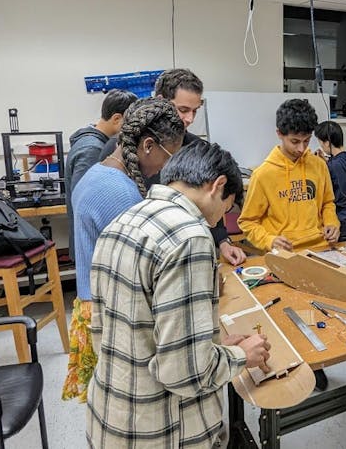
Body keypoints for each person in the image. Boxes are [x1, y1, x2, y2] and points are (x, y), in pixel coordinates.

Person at [87, 142, 270, 448]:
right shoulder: (190, 238)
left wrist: (208, 347)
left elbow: (111, 331)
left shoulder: (123, 221)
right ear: (218, 186)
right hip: (160, 428)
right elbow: (186, 375)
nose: (218, 222)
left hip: (111, 413)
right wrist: (241, 356)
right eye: (226, 209)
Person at [62, 98, 185, 403]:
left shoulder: (100, 174)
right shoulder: (119, 192)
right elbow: (141, 271)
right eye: (169, 156)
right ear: (147, 146)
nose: (167, 166)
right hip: (109, 313)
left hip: (93, 302)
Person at [99, 68, 247, 266]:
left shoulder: (198, 148)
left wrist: (223, 241)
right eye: (183, 110)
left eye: (195, 111)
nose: (190, 119)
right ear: (162, 102)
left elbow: (211, 202)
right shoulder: (121, 149)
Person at [238, 99, 340, 251]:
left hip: (321, 247)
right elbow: (247, 222)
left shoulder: (319, 165)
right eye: (295, 141)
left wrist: (332, 222)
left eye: (306, 141)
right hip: (285, 253)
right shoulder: (263, 174)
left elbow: (328, 203)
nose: (301, 148)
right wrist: (269, 240)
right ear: (279, 133)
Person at [64, 89, 138, 263]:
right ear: (117, 118)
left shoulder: (91, 142)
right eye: (131, 122)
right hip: (92, 246)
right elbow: (85, 200)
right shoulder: (92, 149)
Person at [315, 120, 346, 239]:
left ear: (327, 143)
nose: (321, 147)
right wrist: (327, 162)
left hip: (340, 218)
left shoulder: (334, 165)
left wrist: (325, 166)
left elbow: (338, 193)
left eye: (321, 144)